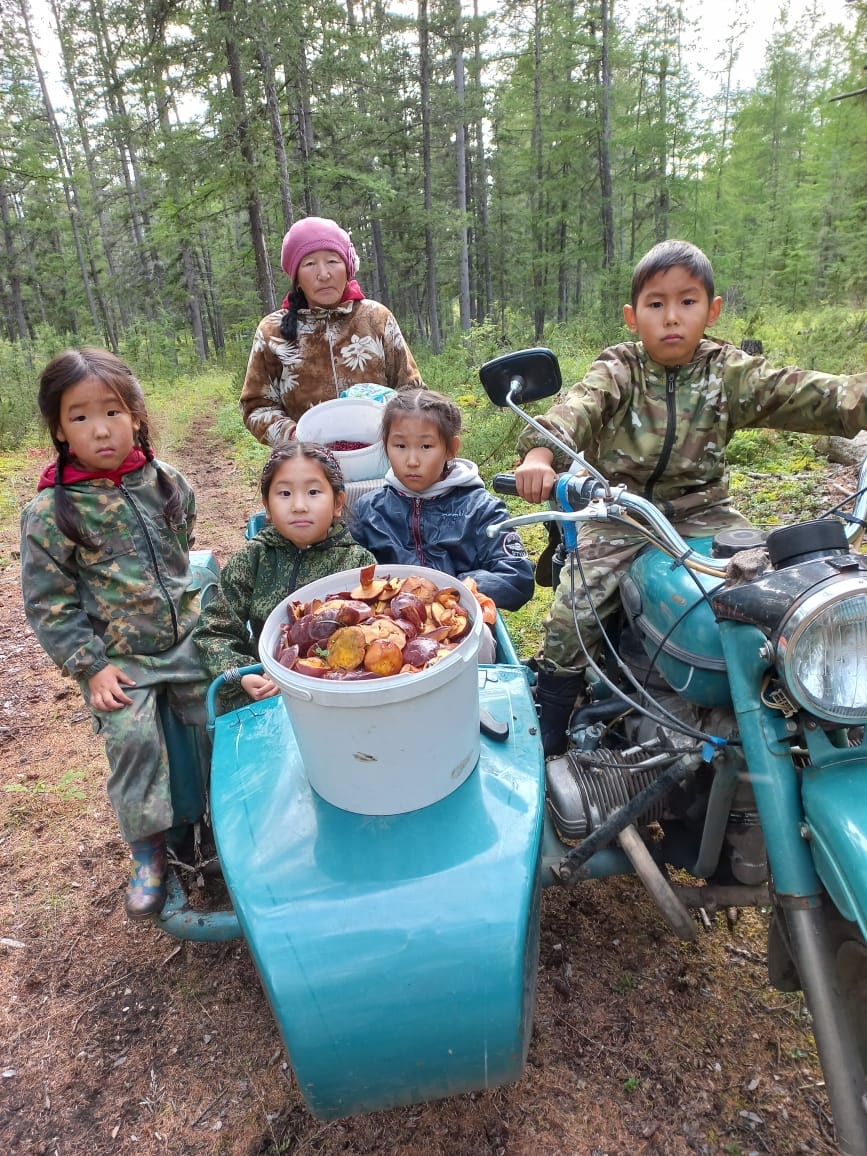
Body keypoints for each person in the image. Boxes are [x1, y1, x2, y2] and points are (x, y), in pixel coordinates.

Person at [514, 238, 867, 756]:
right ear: (634, 317)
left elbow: (807, 392)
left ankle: (796, 708)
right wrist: (542, 454)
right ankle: (552, 730)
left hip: (708, 513)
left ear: (712, 309)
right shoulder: (619, 368)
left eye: (687, 301)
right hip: (619, 511)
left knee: (782, 597)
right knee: (574, 613)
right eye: (657, 304)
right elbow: (577, 409)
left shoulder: (727, 372)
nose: (672, 317)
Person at [19, 348, 209, 919]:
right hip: (120, 660)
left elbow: (184, 539)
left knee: (222, 723)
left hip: (188, 643)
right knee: (133, 741)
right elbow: (48, 602)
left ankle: (221, 825)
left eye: (113, 411)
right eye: (79, 416)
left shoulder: (166, 481)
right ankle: (148, 849)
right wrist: (91, 665)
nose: (100, 429)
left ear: (137, 417)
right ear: (59, 427)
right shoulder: (52, 511)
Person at [350, 389, 536, 662]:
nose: (412, 460)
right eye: (400, 446)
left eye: (426, 447)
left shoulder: (480, 508)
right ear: (385, 444)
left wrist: (452, 589)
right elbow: (352, 578)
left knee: (480, 639)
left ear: (451, 448)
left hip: (459, 626)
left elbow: (517, 577)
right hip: (387, 631)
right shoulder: (369, 511)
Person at [194, 441, 376, 707]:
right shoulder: (255, 558)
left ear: (338, 502)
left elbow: (373, 638)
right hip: (266, 694)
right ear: (267, 505)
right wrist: (243, 675)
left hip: (336, 699)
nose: (299, 506)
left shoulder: (358, 563)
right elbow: (214, 632)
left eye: (313, 492)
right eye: (285, 494)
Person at [240, 216, 424, 446]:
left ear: (348, 268)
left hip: (381, 461)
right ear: (296, 277)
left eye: (332, 261)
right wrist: (296, 437)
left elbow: (412, 391)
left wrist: (394, 434)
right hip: (306, 470)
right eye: (309, 264)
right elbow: (256, 406)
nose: (324, 274)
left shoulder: (376, 318)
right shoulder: (272, 332)